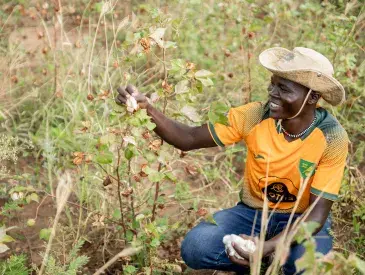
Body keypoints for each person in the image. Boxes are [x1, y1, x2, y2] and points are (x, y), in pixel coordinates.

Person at [115, 47, 349, 275]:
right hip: (253, 213)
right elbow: (188, 138)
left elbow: (316, 216)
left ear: (313, 97)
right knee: (196, 246)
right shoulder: (254, 116)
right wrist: (147, 109)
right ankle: (262, 262)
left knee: (310, 268)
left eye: (284, 89)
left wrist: (266, 246)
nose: (272, 92)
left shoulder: (332, 138)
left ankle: (273, 257)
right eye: (273, 83)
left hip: (301, 219)